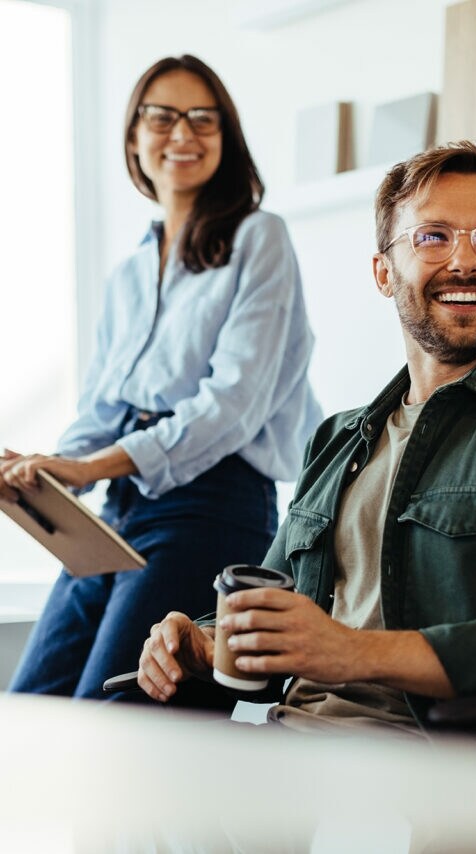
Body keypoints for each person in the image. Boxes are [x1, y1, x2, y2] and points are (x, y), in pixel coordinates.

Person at [135, 140, 476, 738]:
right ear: (384, 272)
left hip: (423, 772)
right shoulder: (337, 439)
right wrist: (203, 641)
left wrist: (351, 652)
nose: (466, 261)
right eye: (433, 236)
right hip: (283, 745)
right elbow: (276, 609)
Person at [0, 54, 321, 700]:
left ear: (226, 139)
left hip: (211, 507)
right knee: (31, 705)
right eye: (163, 117)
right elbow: (101, 407)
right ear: (133, 138)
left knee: (112, 714)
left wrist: (91, 468)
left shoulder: (261, 239)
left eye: (204, 119)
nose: (183, 134)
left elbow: (232, 404)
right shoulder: (128, 274)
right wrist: (45, 469)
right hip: (119, 511)